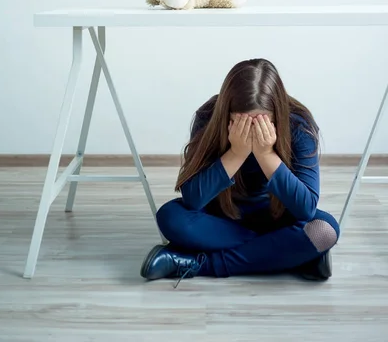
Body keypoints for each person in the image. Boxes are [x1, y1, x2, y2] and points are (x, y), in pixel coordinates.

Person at [140, 58, 340, 285]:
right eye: (242, 123)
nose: (253, 131)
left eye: (263, 122)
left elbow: (305, 209)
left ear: (277, 115)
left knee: (325, 230)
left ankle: (196, 264)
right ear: (227, 114)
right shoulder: (208, 117)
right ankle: (288, 255)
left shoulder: (298, 125)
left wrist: (266, 155)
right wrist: (236, 153)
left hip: (278, 218)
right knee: (171, 217)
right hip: (223, 220)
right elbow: (193, 200)